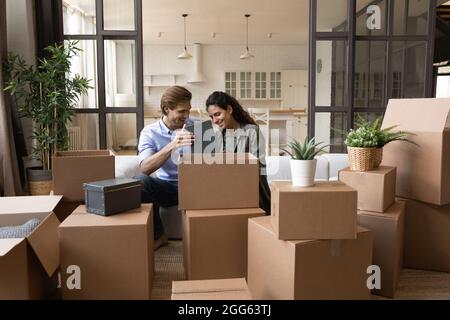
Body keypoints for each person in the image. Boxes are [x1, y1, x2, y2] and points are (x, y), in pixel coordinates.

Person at [136, 86, 195, 250]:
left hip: (196, 186)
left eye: (188, 110)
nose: (187, 116)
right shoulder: (150, 132)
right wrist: (173, 145)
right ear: (166, 109)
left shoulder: (197, 125)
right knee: (139, 182)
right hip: (168, 187)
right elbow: (144, 168)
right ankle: (159, 235)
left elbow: (215, 160)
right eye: (182, 111)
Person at [205, 91, 271, 214]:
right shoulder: (220, 134)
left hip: (252, 190)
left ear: (229, 109)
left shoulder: (251, 131)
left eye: (217, 114)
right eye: (211, 116)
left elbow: (259, 168)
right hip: (228, 187)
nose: (215, 120)